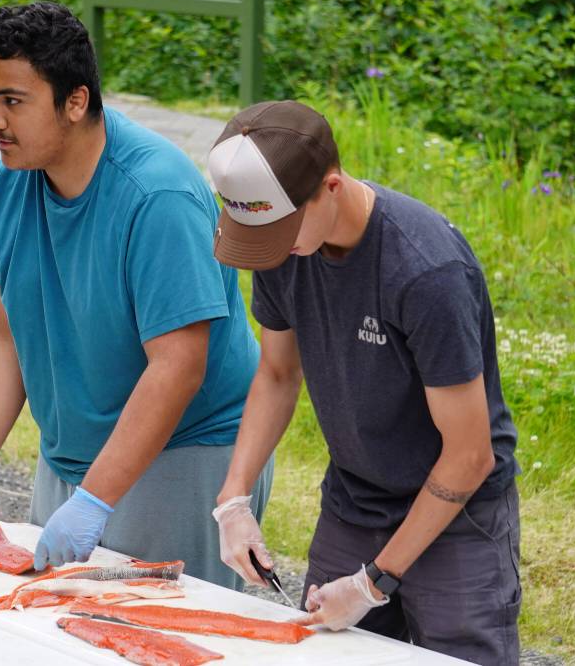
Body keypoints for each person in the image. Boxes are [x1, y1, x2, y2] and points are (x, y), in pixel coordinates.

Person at [0, 1, 272, 589]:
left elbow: (178, 367)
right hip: (71, 450)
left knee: (161, 634)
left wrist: (95, 499)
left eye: (12, 101)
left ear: (76, 101)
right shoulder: (7, 182)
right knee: (56, 627)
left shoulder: (156, 195)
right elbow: (2, 333)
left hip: (187, 450)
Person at [207, 100, 521, 664]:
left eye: (281, 229)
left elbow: (471, 455)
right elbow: (278, 373)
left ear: (330, 186)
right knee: (331, 654)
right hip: (354, 502)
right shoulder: (282, 249)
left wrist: (373, 583)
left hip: (458, 515)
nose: (271, 249)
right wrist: (234, 498)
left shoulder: (425, 271)